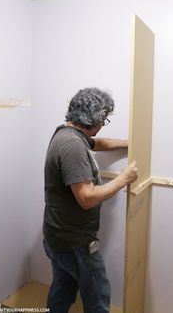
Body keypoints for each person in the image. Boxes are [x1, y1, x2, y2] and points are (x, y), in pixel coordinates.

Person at [43, 87, 138, 313]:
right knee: (98, 295)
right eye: (103, 119)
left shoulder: (69, 134)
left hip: (57, 237)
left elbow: (100, 143)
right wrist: (123, 179)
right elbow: (86, 198)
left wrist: (131, 143)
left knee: (63, 289)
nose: (103, 124)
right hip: (75, 242)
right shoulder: (73, 146)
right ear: (91, 118)